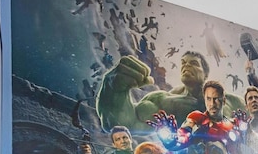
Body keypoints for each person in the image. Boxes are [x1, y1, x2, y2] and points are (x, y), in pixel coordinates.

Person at [95, 51, 244, 133]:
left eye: (193, 63)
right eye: (183, 63)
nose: (186, 66)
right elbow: (122, 124)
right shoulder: (162, 100)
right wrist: (113, 93)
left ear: (205, 73)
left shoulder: (231, 101)